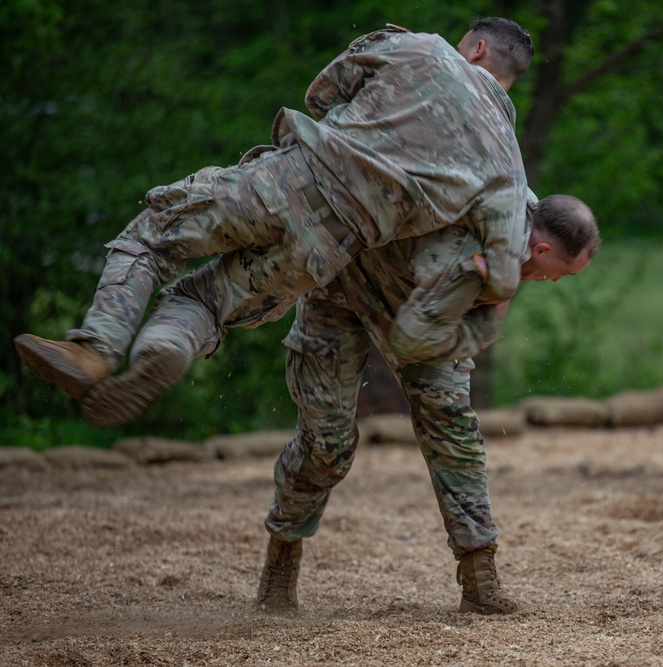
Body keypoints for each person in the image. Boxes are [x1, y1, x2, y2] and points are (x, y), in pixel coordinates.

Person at [15, 18, 534, 423]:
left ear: (477, 48)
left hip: (287, 184)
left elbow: (325, 93)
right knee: (209, 300)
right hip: (334, 247)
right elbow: (507, 258)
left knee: (153, 236)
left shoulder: (423, 48)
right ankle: (166, 348)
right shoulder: (507, 164)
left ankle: (97, 348)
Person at [254, 193, 600, 615]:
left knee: (454, 430)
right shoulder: (483, 215)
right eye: (561, 272)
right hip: (341, 287)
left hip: (427, 312)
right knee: (327, 446)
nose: (556, 281)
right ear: (542, 250)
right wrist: (485, 321)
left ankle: (479, 581)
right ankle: (282, 556)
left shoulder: (511, 243)